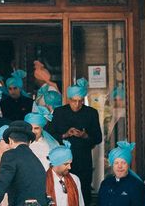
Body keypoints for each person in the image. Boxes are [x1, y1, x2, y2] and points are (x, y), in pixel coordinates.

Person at [47, 78, 102, 206]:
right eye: (73, 101)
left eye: (80, 101)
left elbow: (98, 138)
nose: (77, 104)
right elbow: (49, 135)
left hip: (83, 160)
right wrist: (66, 134)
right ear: (68, 100)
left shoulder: (91, 113)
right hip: (62, 161)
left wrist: (85, 135)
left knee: (83, 191)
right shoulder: (59, 112)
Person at [0, 120, 48, 206]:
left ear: (10, 140)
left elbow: (0, 187)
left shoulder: (10, 155)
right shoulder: (35, 160)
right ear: (29, 142)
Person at [97, 141, 145, 206]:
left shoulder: (137, 185)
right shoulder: (105, 184)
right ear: (112, 165)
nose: (119, 166)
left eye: (123, 163)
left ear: (128, 165)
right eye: (116, 163)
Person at [46, 142, 84, 206]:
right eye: (66, 164)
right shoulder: (43, 180)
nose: (69, 167)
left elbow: (81, 203)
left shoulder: (75, 179)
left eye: (70, 163)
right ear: (56, 163)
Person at [25, 106, 60, 170]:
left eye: (36, 128)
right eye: (30, 128)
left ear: (41, 128)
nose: (33, 131)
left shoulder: (52, 144)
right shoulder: (21, 144)